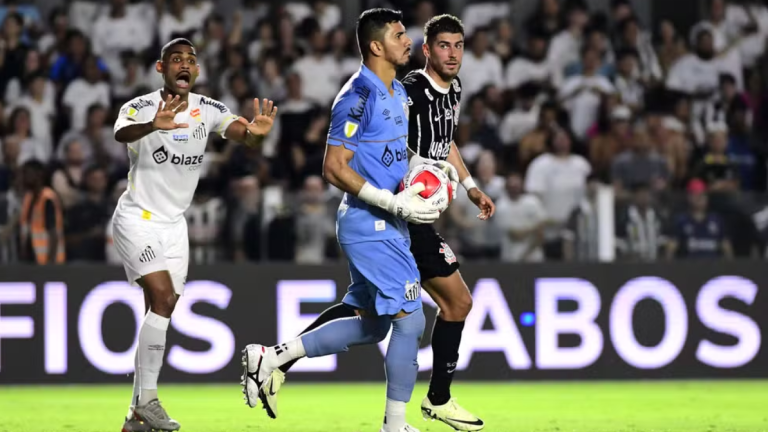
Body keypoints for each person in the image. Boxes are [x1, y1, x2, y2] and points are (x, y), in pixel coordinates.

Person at [271, 14, 494, 432]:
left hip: (403, 210)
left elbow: (435, 145)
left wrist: (462, 183)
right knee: (432, 311)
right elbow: (346, 162)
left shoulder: (428, 90)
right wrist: (400, 196)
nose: (452, 53)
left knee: (368, 315)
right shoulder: (398, 92)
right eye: (443, 45)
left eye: (459, 45)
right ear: (426, 50)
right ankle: (422, 408)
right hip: (391, 214)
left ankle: (278, 357)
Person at [241, 9, 438, 432]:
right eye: (400, 35)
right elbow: (333, 167)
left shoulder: (397, 92)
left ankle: (273, 357)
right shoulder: (357, 96)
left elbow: (394, 155)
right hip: (372, 222)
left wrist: (437, 174)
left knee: (372, 325)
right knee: (412, 320)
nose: (409, 41)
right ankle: (395, 425)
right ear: (376, 45)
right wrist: (394, 203)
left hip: (388, 221)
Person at [113, 38, 278, 432]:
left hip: (175, 225)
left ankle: (136, 416)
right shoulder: (140, 107)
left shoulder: (208, 109)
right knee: (164, 297)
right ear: (161, 68)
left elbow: (245, 135)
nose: (184, 65)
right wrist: (154, 125)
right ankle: (148, 401)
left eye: (191, 60)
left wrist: (260, 133)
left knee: (160, 310)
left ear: (197, 71)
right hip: (138, 218)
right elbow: (121, 134)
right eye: (176, 59)